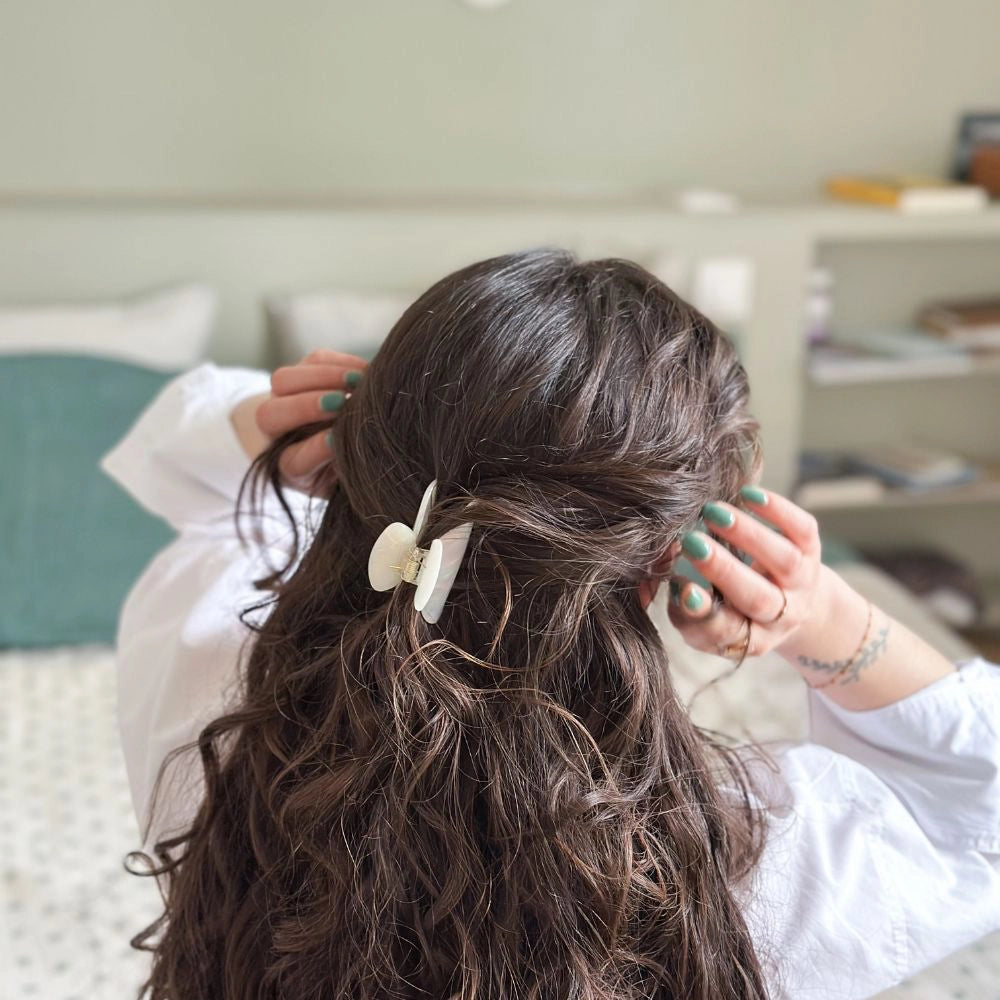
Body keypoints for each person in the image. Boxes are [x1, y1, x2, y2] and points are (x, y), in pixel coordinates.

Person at [101, 249, 1000, 1000]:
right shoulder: (735, 868)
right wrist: (825, 616)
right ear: (664, 556)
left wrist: (245, 427)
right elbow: (979, 798)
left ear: (356, 459)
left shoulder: (206, 697)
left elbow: (183, 485)